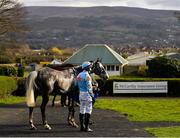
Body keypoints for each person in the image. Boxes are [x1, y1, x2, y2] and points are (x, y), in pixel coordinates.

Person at [77, 61, 94, 132]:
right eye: (90, 67)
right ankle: (87, 127)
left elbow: (77, 84)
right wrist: (92, 95)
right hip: (87, 94)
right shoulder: (88, 76)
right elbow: (89, 87)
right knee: (88, 110)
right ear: (88, 68)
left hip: (81, 93)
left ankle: (82, 127)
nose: (91, 68)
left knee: (82, 109)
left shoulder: (79, 75)